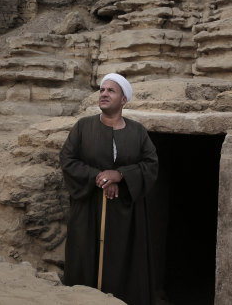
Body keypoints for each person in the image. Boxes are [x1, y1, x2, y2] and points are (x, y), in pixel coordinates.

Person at [59, 73, 159, 305]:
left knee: (122, 261)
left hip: (126, 214)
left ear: (123, 100)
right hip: (88, 209)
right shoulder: (83, 127)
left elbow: (150, 164)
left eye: (111, 91)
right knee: (85, 258)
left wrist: (120, 175)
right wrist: (100, 177)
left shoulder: (138, 132)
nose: (104, 94)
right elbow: (67, 159)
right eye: (102, 90)